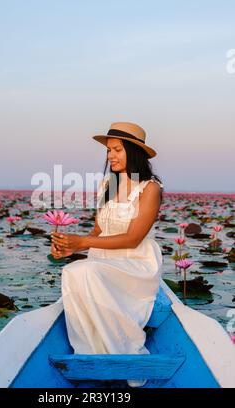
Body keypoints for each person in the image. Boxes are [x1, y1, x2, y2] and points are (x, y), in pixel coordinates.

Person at [51, 122, 163, 388]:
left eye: (116, 150)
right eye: (109, 150)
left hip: (134, 262)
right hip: (103, 258)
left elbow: (133, 238)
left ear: (134, 152)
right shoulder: (108, 184)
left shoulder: (150, 189)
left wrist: (82, 242)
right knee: (72, 272)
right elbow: (99, 230)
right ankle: (91, 352)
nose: (110, 155)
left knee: (86, 272)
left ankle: (121, 354)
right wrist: (70, 247)